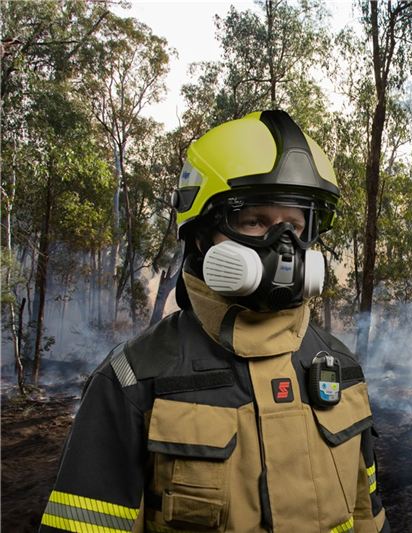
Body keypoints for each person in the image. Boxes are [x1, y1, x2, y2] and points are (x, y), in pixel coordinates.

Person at [40, 110, 389, 533]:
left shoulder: (341, 368)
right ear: (202, 233)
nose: (283, 248)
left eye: (295, 226)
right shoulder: (134, 381)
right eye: (255, 221)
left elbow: (368, 519)